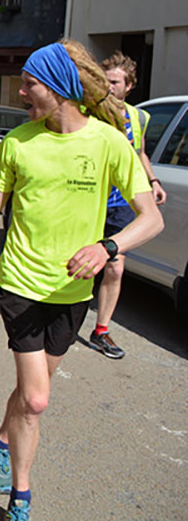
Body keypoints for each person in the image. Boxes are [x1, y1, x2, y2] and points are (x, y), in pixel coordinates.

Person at [0, 41, 163, 521]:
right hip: (19, 284)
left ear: (59, 87)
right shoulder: (19, 142)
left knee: (29, 393)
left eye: (29, 83)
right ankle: (21, 496)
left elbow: (150, 219)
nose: (21, 93)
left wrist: (107, 248)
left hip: (74, 291)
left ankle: (0, 439)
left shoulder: (108, 143)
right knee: (37, 399)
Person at [91, 51, 167, 359]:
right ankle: (62, 317)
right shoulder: (90, 112)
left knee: (115, 266)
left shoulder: (140, 117)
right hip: (90, 197)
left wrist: (153, 181)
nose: (108, 88)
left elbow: (140, 152)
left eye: (114, 82)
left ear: (129, 86)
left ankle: (102, 330)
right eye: (104, 82)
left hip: (121, 202)